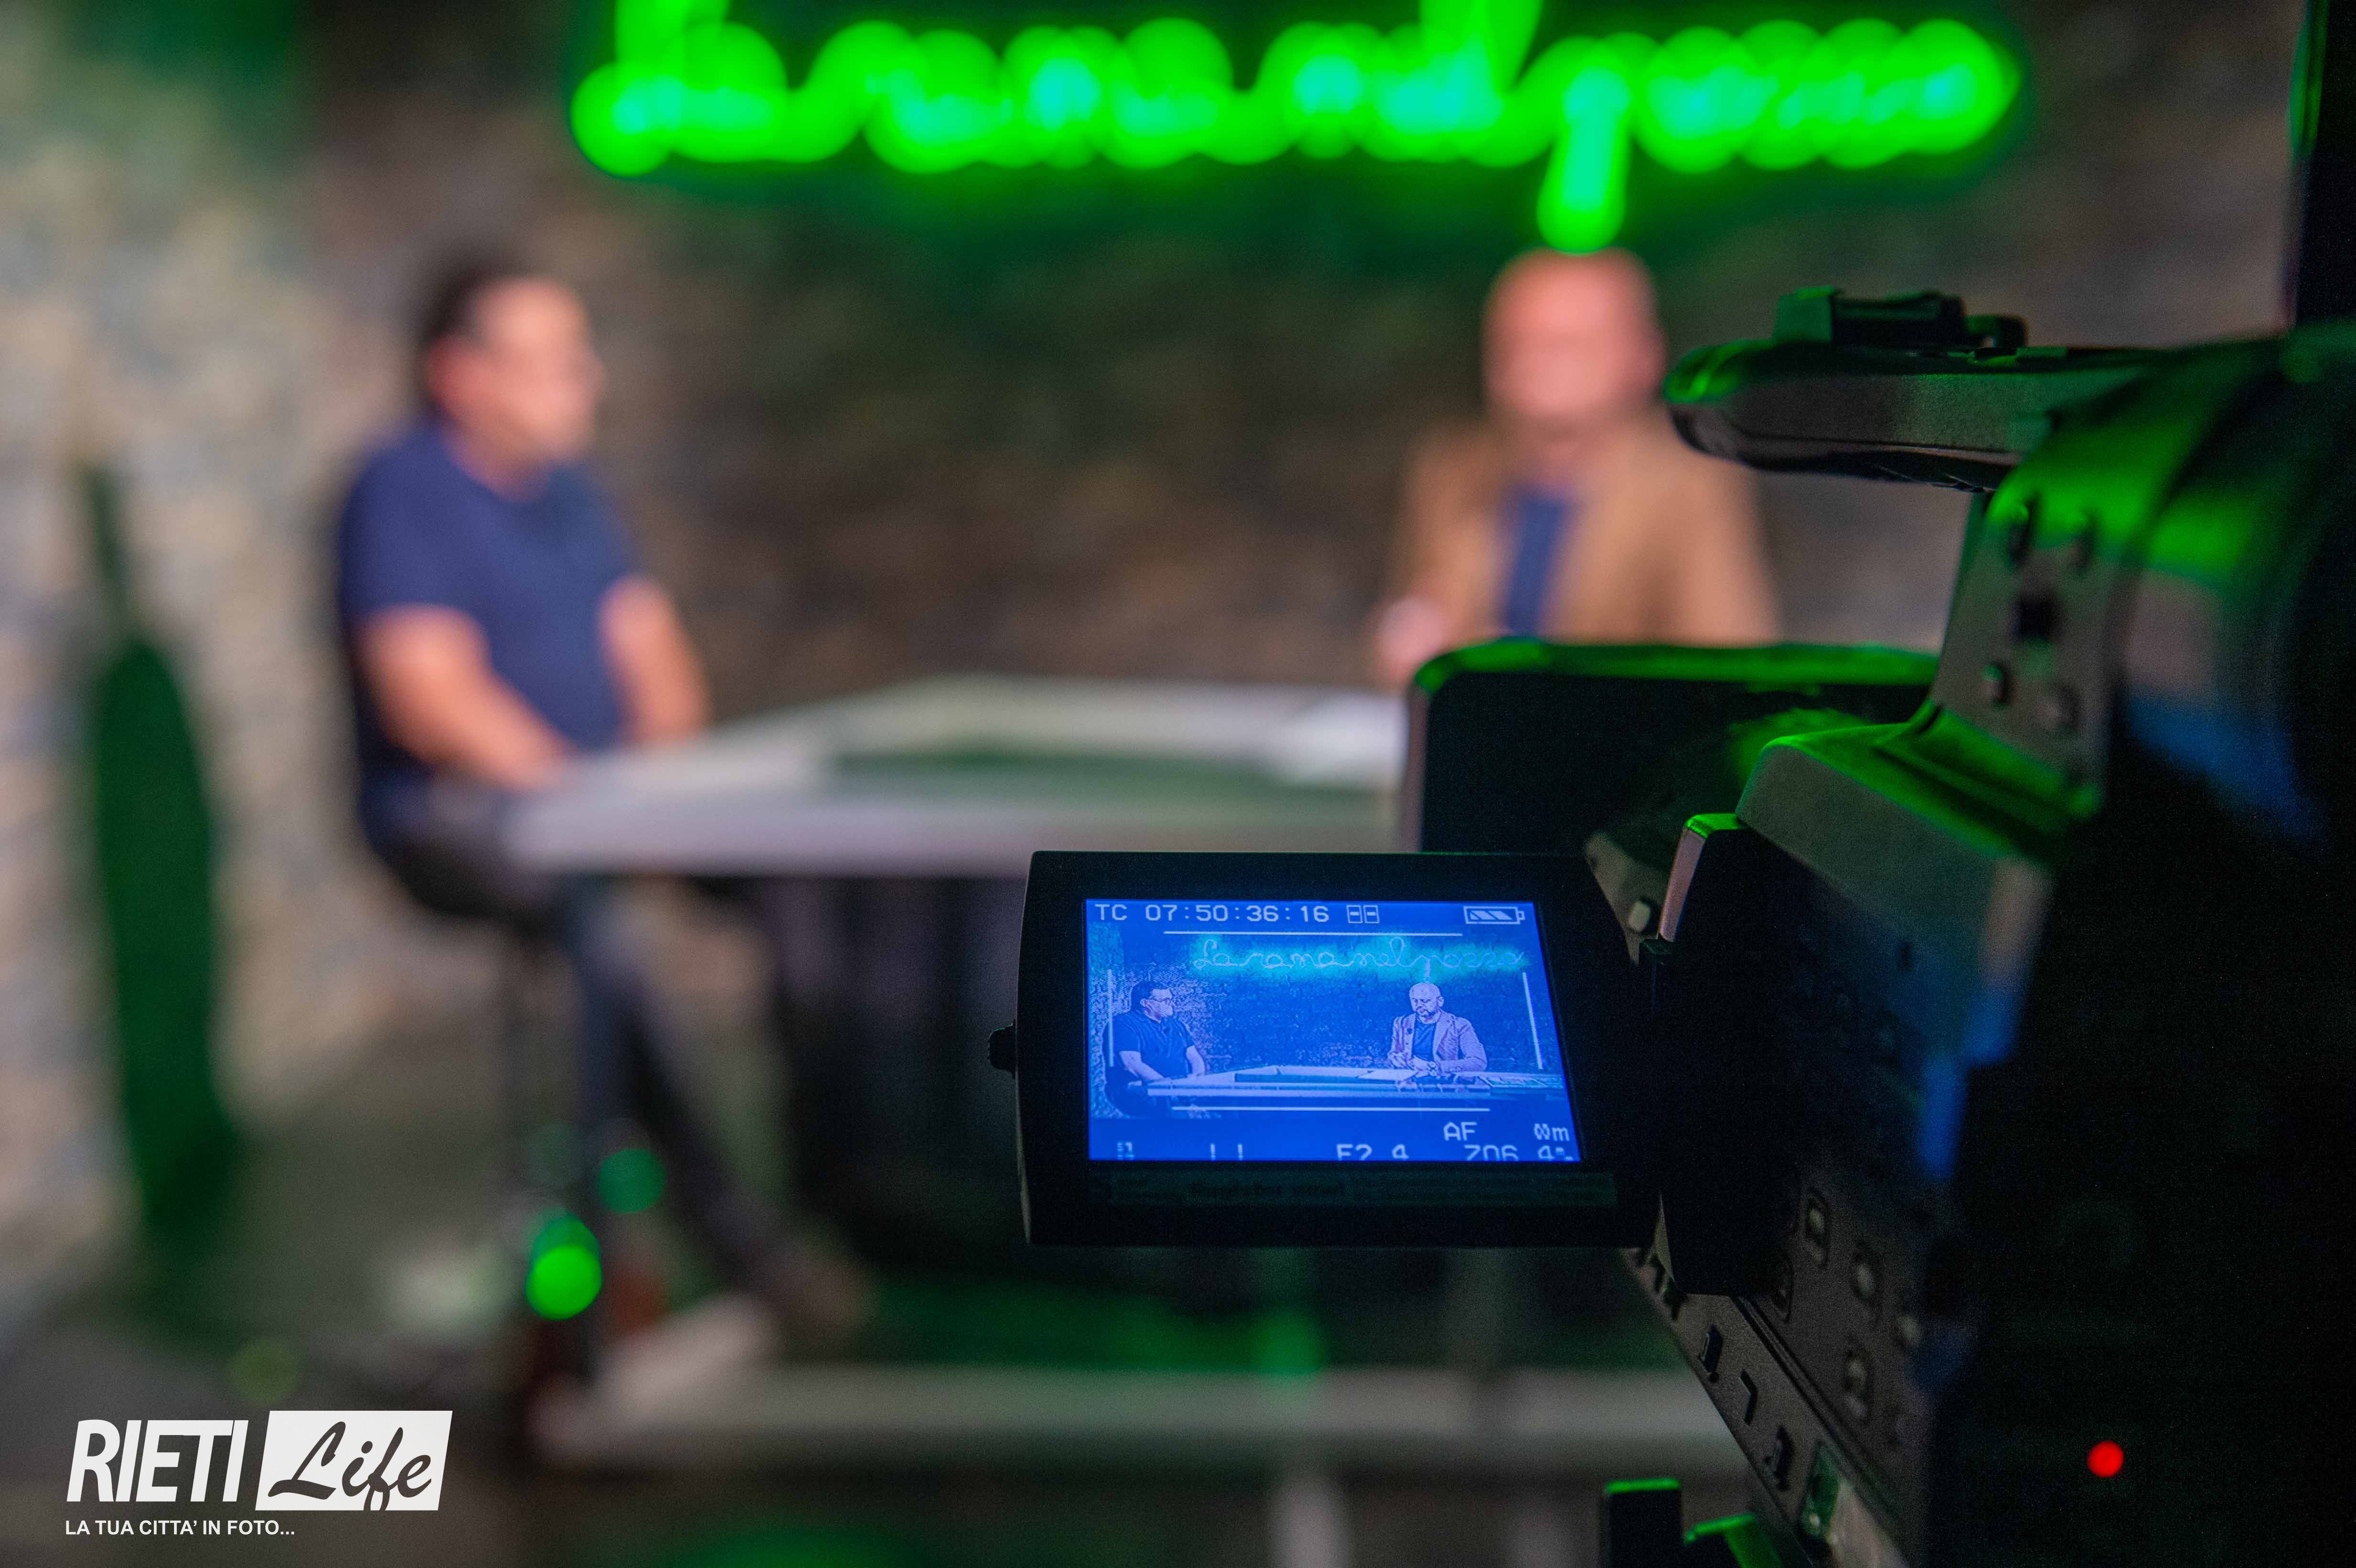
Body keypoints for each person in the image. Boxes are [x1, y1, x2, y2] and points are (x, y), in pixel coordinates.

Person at [335, 256, 860, 1349]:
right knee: (606, 944)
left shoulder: (573, 494)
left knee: (805, 880)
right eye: (555, 360)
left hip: (602, 802)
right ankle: (734, 1238)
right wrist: (597, 814)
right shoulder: (402, 488)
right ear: (462, 374)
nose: (586, 380)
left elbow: (651, 652)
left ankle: (858, 1179)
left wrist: (663, 800)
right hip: (459, 815)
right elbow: (432, 699)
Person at [1373, 248, 1778, 686]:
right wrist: (1413, 636)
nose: (1540, 364)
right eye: (1519, 342)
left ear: (1642, 356)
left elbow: (1728, 664)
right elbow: (1414, 609)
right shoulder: (1452, 468)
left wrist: (1538, 681)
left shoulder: (1689, 485)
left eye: (1571, 346)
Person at [1110, 981, 1205, 1105]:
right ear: (1145, 1003)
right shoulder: (1124, 1024)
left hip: (1180, 1093)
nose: (1172, 1005)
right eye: (1166, 1001)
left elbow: (1194, 1057)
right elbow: (1131, 1064)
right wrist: (1169, 1089)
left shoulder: (1176, 1025)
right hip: (1146, 1097)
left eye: (1171, 1000)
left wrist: (1197, 1082)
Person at [1385, 981, 1486, 1077]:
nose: (1419, 1005)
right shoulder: (1401, 1023)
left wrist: (1433, 1066)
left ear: (1440, 1001)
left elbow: (1478, 1063)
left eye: (1425, 1001)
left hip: (1446, 1082)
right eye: (1415, 1001)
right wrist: (1395, 1059)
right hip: (1410, 1081)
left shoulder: (1459, 1025)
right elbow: (1393, 1054)